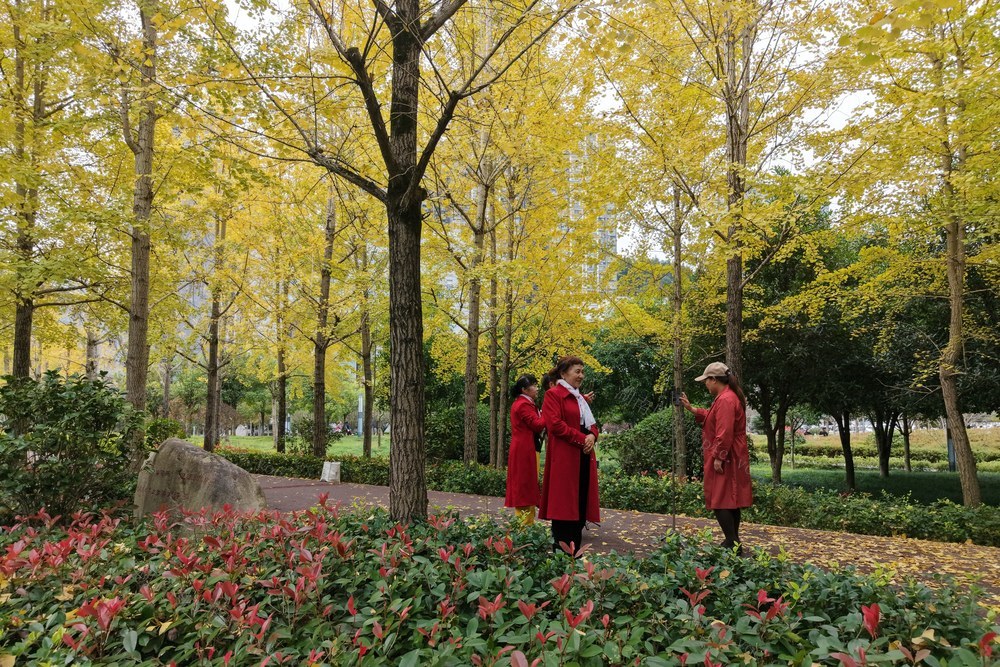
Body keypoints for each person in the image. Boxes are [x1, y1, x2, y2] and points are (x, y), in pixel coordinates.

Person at [680, 361, 753, 554]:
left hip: (727, 454)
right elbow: (714, 419)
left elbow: (724, 432)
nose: (705, 384)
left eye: (706, 380)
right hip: (732, 452)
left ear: (714, 380)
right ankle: (733, 542)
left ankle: (732, 542)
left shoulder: (726, 400)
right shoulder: (726, 397)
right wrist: (692, 409)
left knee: (719, 498)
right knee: (730, 499)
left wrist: (719, 457)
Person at [539, 356, 600, 556]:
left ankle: (575, 556)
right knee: (564, 511)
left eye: (583, 371)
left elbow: (592, 424)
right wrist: (583, 439)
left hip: (583, 457)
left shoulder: (579, 397)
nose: (581, 375)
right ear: (564, 373)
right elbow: (555, 425)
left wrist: (592, 435)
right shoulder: (553, 395)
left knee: (580, 507)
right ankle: (562, 558)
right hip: (565, 460)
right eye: (577, 371)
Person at [504, 374, 546, 526]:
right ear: (524, 389)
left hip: (525, 448)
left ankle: (526, 526)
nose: (537, 388)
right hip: (525, 450)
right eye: (533, 385)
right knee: (525, 487)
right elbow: (538, 425)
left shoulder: (524, 403)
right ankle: (524, 528)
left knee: (527, 486)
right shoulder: (523, 405)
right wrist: (549, 411)